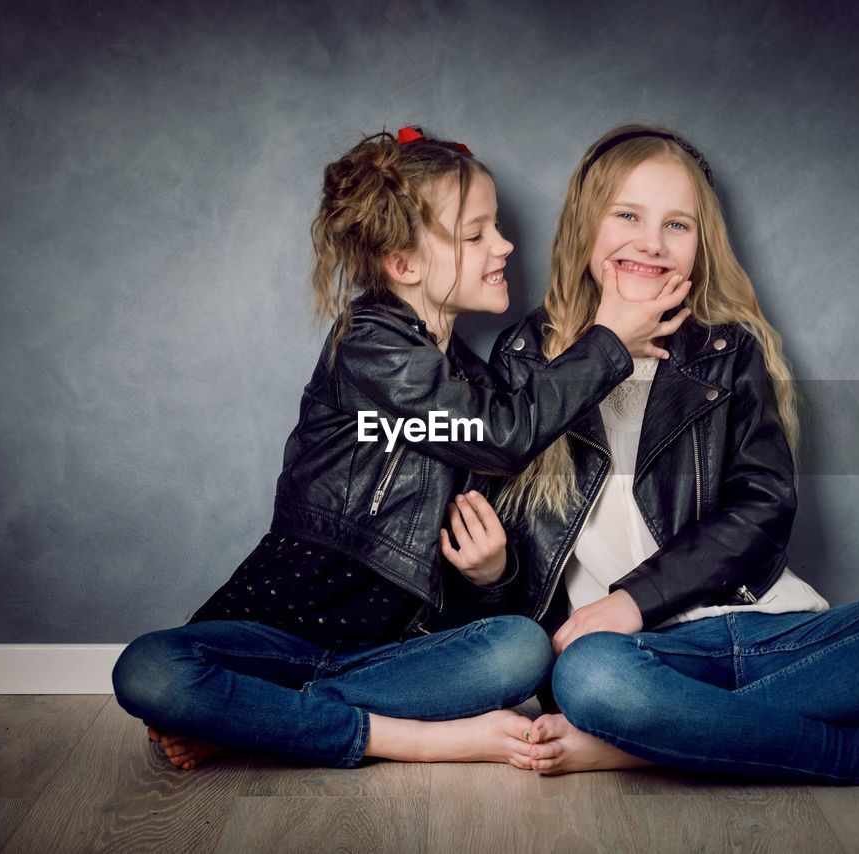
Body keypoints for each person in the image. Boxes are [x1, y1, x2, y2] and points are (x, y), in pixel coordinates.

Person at [111, 127, 691, 771]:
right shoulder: (369, 342)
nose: (504, 246)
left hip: (391, 656)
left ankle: (259, 718)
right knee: (151, 671)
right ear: (405, 264)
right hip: (280, 629)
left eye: (495, 227)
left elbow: (467, 566)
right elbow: (496, 435)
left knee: (521, 648)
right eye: (475, 235)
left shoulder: (484, 386)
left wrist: (489, 577)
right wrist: (607, 340)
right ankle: (407, 739)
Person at [489, 124, 859, 784]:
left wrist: (634, 598)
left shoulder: (729, 349)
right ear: (586, 226)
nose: (650, 241)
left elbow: (763, 506)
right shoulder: (527, 358)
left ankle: (641, 744)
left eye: (677, 225)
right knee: (589, 680)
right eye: (629, 215)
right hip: (630, 657)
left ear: (701, 246)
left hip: (770, 630)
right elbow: (513, 538)